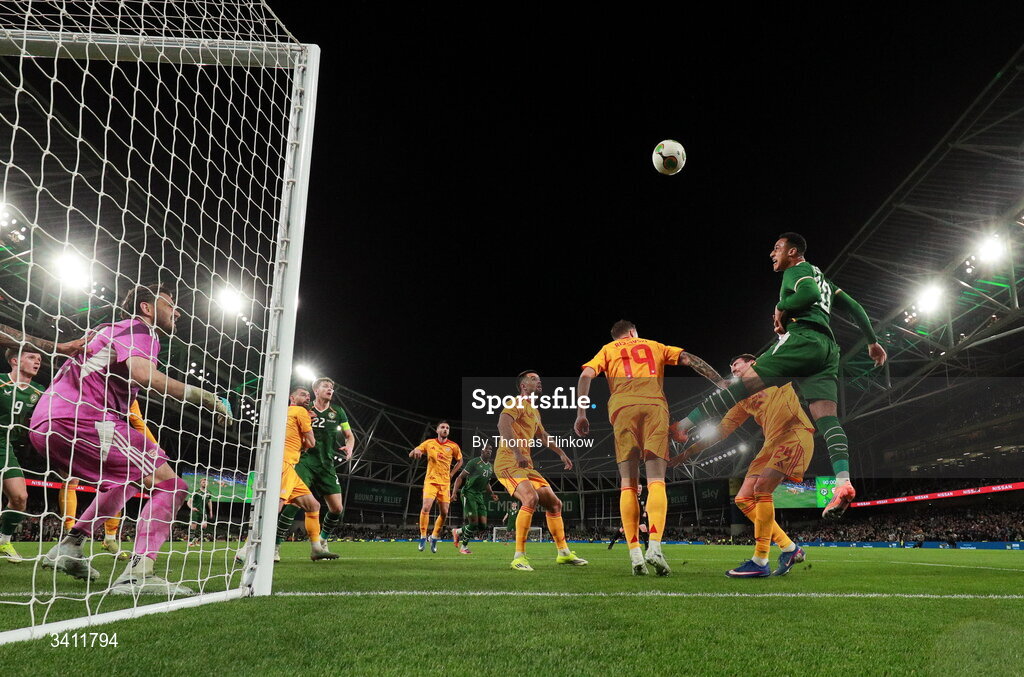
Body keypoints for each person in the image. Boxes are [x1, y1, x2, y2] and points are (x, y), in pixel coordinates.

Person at [29, 284, 231, 595]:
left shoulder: (110, 330)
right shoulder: (140, 328)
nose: (177, 311)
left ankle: (70, 546)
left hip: (48, 422)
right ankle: (137, 574)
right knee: (172, 485)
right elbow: (144, 375)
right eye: (170, 303)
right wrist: (206, 397)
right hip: (82, 419)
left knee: (127, 482)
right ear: (147, 307)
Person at [670, 233, 887, 520]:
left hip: (803, 339)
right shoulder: (826, 281)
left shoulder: (796, 270)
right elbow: (855, 307)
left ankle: (682, 426)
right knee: (828, 420)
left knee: (740, 387)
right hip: (827, 351)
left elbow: (807, 294)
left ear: (793, 251)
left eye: (777, 248)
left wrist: (781, 308)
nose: (772, 253)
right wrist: (872, 341)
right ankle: (843, 482)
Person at [575, 321, 725, 576]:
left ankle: (635, 554)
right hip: (654, 407)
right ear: (633, 331)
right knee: (656, 482)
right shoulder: (654, 345)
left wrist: (581, 413)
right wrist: (720, 382)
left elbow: (586, 376)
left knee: (628, 484)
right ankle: (654, 547)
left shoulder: (608, 349)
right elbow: (690, 359)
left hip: (622, 409)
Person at [670, 353, 812, 577]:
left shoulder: (773, 372)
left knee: (761, 490)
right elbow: (721, 431)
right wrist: (687, 453)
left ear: (752, 363)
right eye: (731, 366)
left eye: (736, 364)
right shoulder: (742, 399)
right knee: (743, 498)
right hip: (770, 444)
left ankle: (760, 560)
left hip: (793, 434)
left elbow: (783, 351)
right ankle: (789, 548)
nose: (733, 369)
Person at [495, 371, 587, 571]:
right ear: (523, 386)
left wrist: (561, 453)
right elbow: (503, 424)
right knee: (530, 499)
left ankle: (563, 553)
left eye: (539, 378)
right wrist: (518, 453)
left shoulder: (533, 410)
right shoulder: (516, 403)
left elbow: (543, 435)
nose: (539, 381)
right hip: (508, 461)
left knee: (555, 504)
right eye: (533, 378)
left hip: (525, 465)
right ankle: (519, 557)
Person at [240, 386, 337, 562]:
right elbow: (312, 443)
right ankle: (247, 548)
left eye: (308, 395)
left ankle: (316, 549)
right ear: (292, 398)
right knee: (273, 508)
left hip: (285, 465)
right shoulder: (300, 411)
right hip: (283, 463)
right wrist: (307, 431)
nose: (307, 397)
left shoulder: (283, 413)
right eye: (302, 394)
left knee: (313, 505)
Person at [57, 399, 156, 561]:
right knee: (71, 480)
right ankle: (70, 533)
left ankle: (109, 538)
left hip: (107, 436)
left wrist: (153, 444)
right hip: (77, 430)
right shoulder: (87, 383)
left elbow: (137, 419)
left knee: (116, 484)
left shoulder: (128, 392)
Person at [277, 377, 354, 555]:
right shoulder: (305, 408)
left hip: (326, 464)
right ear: (316, 391)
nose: (330, 389)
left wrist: (349, 446)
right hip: (305, 462)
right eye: (326, 386)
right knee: (293, 503)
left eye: (332, 387)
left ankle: (322, 540)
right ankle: (275, 545)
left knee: (337, 508)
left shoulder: (338, 412)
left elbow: (349, 435)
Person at [0, 348, 44, 562]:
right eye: (31, 357)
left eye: (39, 359)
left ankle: (3, 542)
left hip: (4, 447)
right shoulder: (0, 382)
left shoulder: (38, 391)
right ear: (15, 360)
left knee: (19, 498)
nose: (37, 362)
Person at [409, 420, 463, 553]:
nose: (445, 429)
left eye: (447, 428)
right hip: (431, 481)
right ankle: (422, 537)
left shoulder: (453, 446)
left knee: (444, 513)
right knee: (426, 507)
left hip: (444, 484)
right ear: (437, 430)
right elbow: (412, 454)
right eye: (442, 427)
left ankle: (433, 537)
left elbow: (460, 461)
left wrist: (451, 474)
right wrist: (415, 450)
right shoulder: (429, 443)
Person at [451, 441, 498, 554]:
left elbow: (487, 483)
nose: (489, 452)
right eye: (487, 450)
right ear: (482, 451)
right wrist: (454, 493)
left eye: (491, 450)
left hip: (479, 495)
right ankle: (464, 547)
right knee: (473, 523)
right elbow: (460, 477)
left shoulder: (490, 467)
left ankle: (457, 531)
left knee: (482, 525)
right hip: (468, 493)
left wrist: (491, 493)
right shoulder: (474, 462)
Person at [188, 477, 214, 547]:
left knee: (204, 526)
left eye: (206, 482)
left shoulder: (209, 493)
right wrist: (192, 508)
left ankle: (195, 540)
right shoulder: (196, 492)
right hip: (196, 511)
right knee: (194, 526)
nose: (204, 483)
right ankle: (190, 542)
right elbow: (189, 502)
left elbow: (209, 502)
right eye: (203, 482)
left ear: (207, 484)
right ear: (200, 483)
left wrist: (211, 511)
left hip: (203, 512)